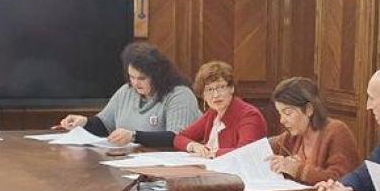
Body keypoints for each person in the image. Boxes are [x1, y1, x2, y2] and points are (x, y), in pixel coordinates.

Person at [110, 61, 266, 157]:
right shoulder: (213, 114)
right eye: (209, 90)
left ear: (231, 88)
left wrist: (210, 152)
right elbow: (179, 137)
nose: (215, 95)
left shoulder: (248, 115)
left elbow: (245, 154)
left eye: (220, 87)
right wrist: (193, 146)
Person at [59, 42, 199, 146]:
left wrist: (134, 136)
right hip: (130, 163)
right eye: (131, 77)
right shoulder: (126, 91)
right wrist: (84, 122)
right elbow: (104, 125)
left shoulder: (180, 95)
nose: (135, 83)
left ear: (158, 76)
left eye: (142, 78)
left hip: (167, 168)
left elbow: (178, 138)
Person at [267, 77, 360, 183]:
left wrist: (297, 170)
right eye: (280, 113)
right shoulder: (293, 136)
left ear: (309, 109)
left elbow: (341, 179)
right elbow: (266, 146)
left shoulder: (337, 131)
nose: (282, 120)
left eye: (288, 113)